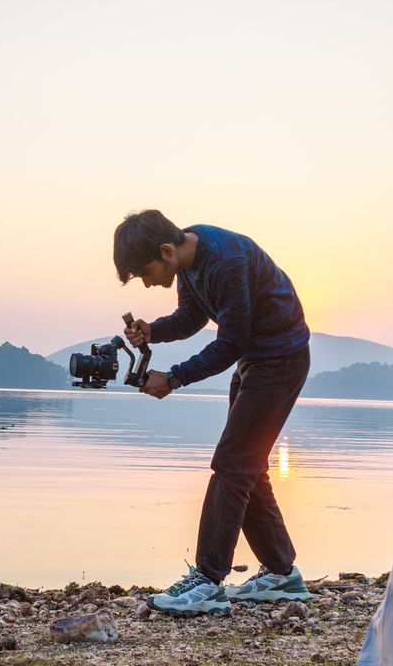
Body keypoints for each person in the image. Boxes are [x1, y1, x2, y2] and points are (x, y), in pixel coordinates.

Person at [113, 209, 313, 616]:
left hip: (280, 360)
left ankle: (207, 580)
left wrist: (174, 377)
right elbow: (192, 316)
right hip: (256, 362)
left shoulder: (225, 260)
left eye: (146, 273)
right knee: (246, 466)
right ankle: (281, 574)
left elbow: (231, 342)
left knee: (232, 465)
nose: (148, 283)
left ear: (167, 250)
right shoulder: (188, 261)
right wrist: (155, 330)